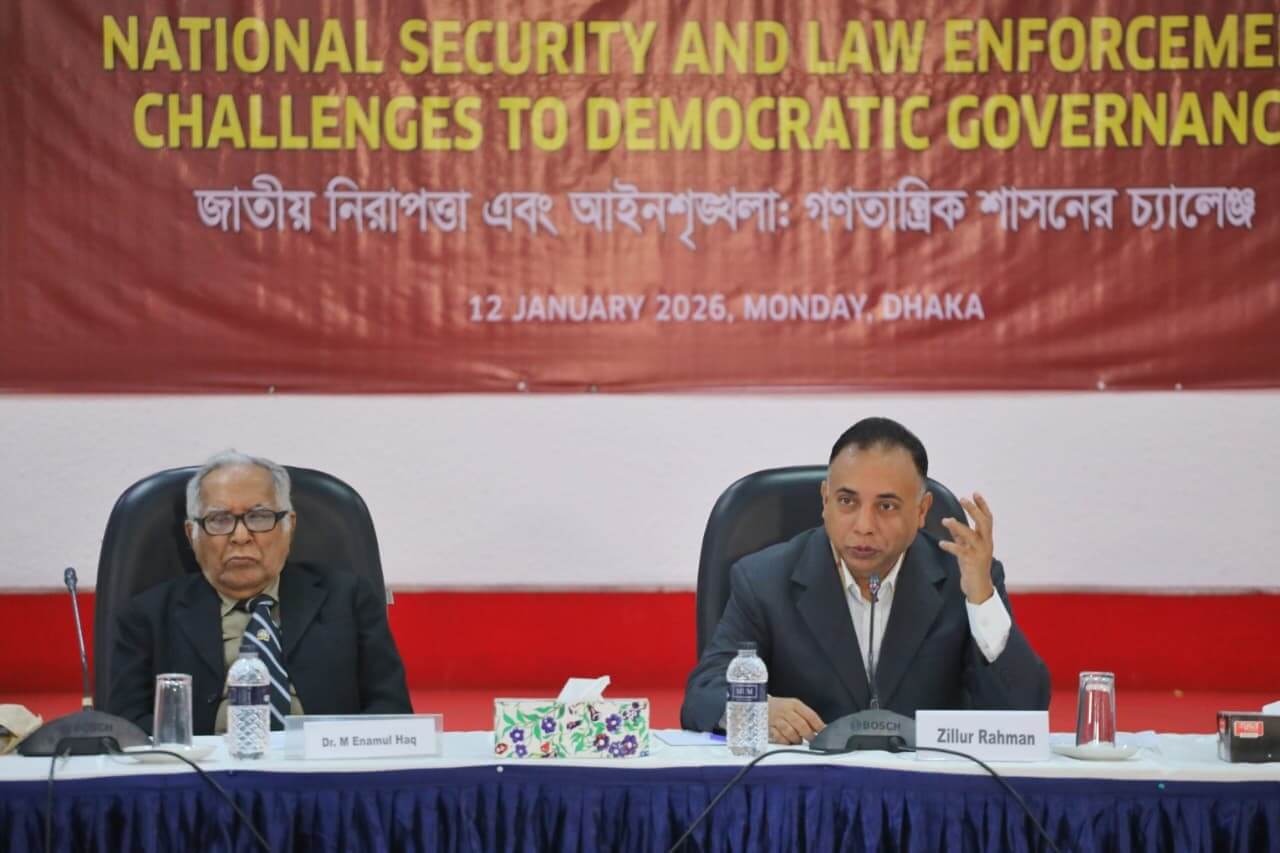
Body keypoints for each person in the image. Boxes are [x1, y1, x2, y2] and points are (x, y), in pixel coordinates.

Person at [681, 418, 1050, 743]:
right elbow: (703, 695)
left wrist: (982, 600)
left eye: (886, 506)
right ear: (825, 500)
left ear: (922, 511)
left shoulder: (966, 579)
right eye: (847, 501)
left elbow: (1024, 713)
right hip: (809, 788)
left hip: (926, 789)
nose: (864, 526)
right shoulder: (764, 580)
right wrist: (756, 710)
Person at [109, 451, 412, 735]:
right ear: (192, 535)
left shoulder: (349, 599)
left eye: (259, 517)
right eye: (219, 520)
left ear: (289, 526)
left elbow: (392, 711)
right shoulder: (148, 617)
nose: (241, 536)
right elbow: (124, 728)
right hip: (203, 770)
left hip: (326, 768)